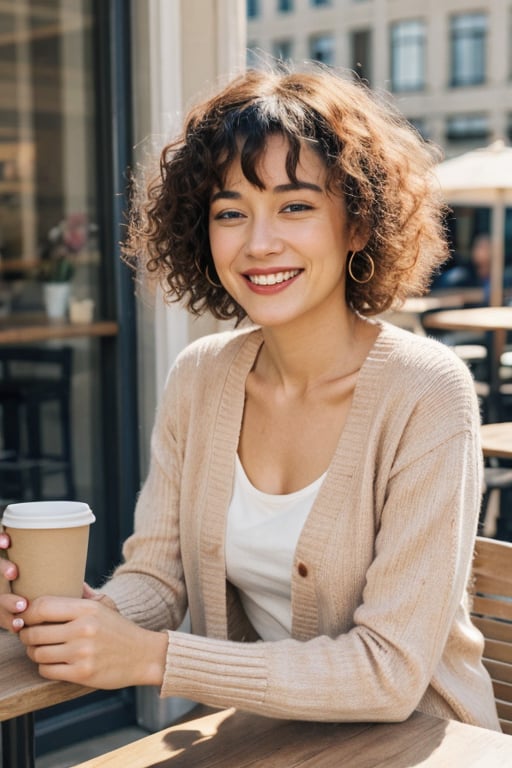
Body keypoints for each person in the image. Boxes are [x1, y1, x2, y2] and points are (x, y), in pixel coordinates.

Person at [0, 64, 500, 730]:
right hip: (267, 744)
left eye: (296, 206)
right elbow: (157, 579)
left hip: (420, 744)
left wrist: (153, 659)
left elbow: (388, 674)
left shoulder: (426, 393)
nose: (259, 244)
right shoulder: (200, 377)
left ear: (357, 223)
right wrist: (84, 619)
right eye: (230, 213)